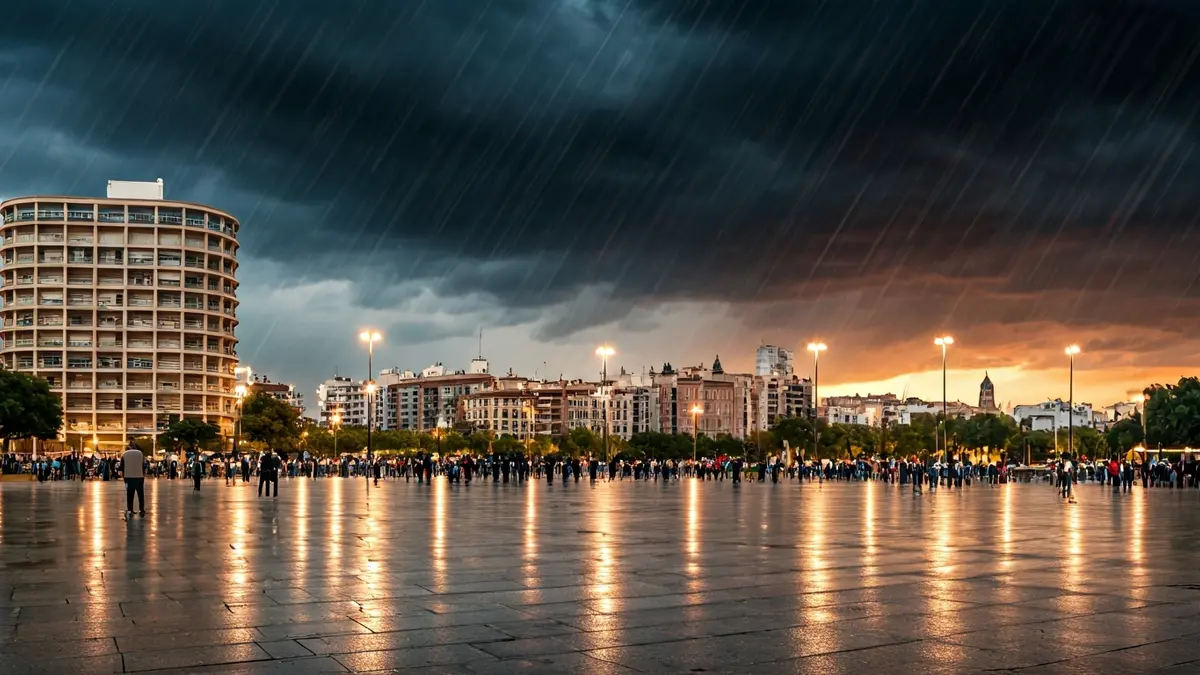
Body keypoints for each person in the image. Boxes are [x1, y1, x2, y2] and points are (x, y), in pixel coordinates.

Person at [122, 442, 146, 516]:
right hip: (139, 477)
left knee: (129, 494)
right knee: (140, 494)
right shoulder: (140, 454)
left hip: (128, 477)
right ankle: (141, 510)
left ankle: (130, 510)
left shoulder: (124, 454)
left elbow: (121, 467)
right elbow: (143, 465)